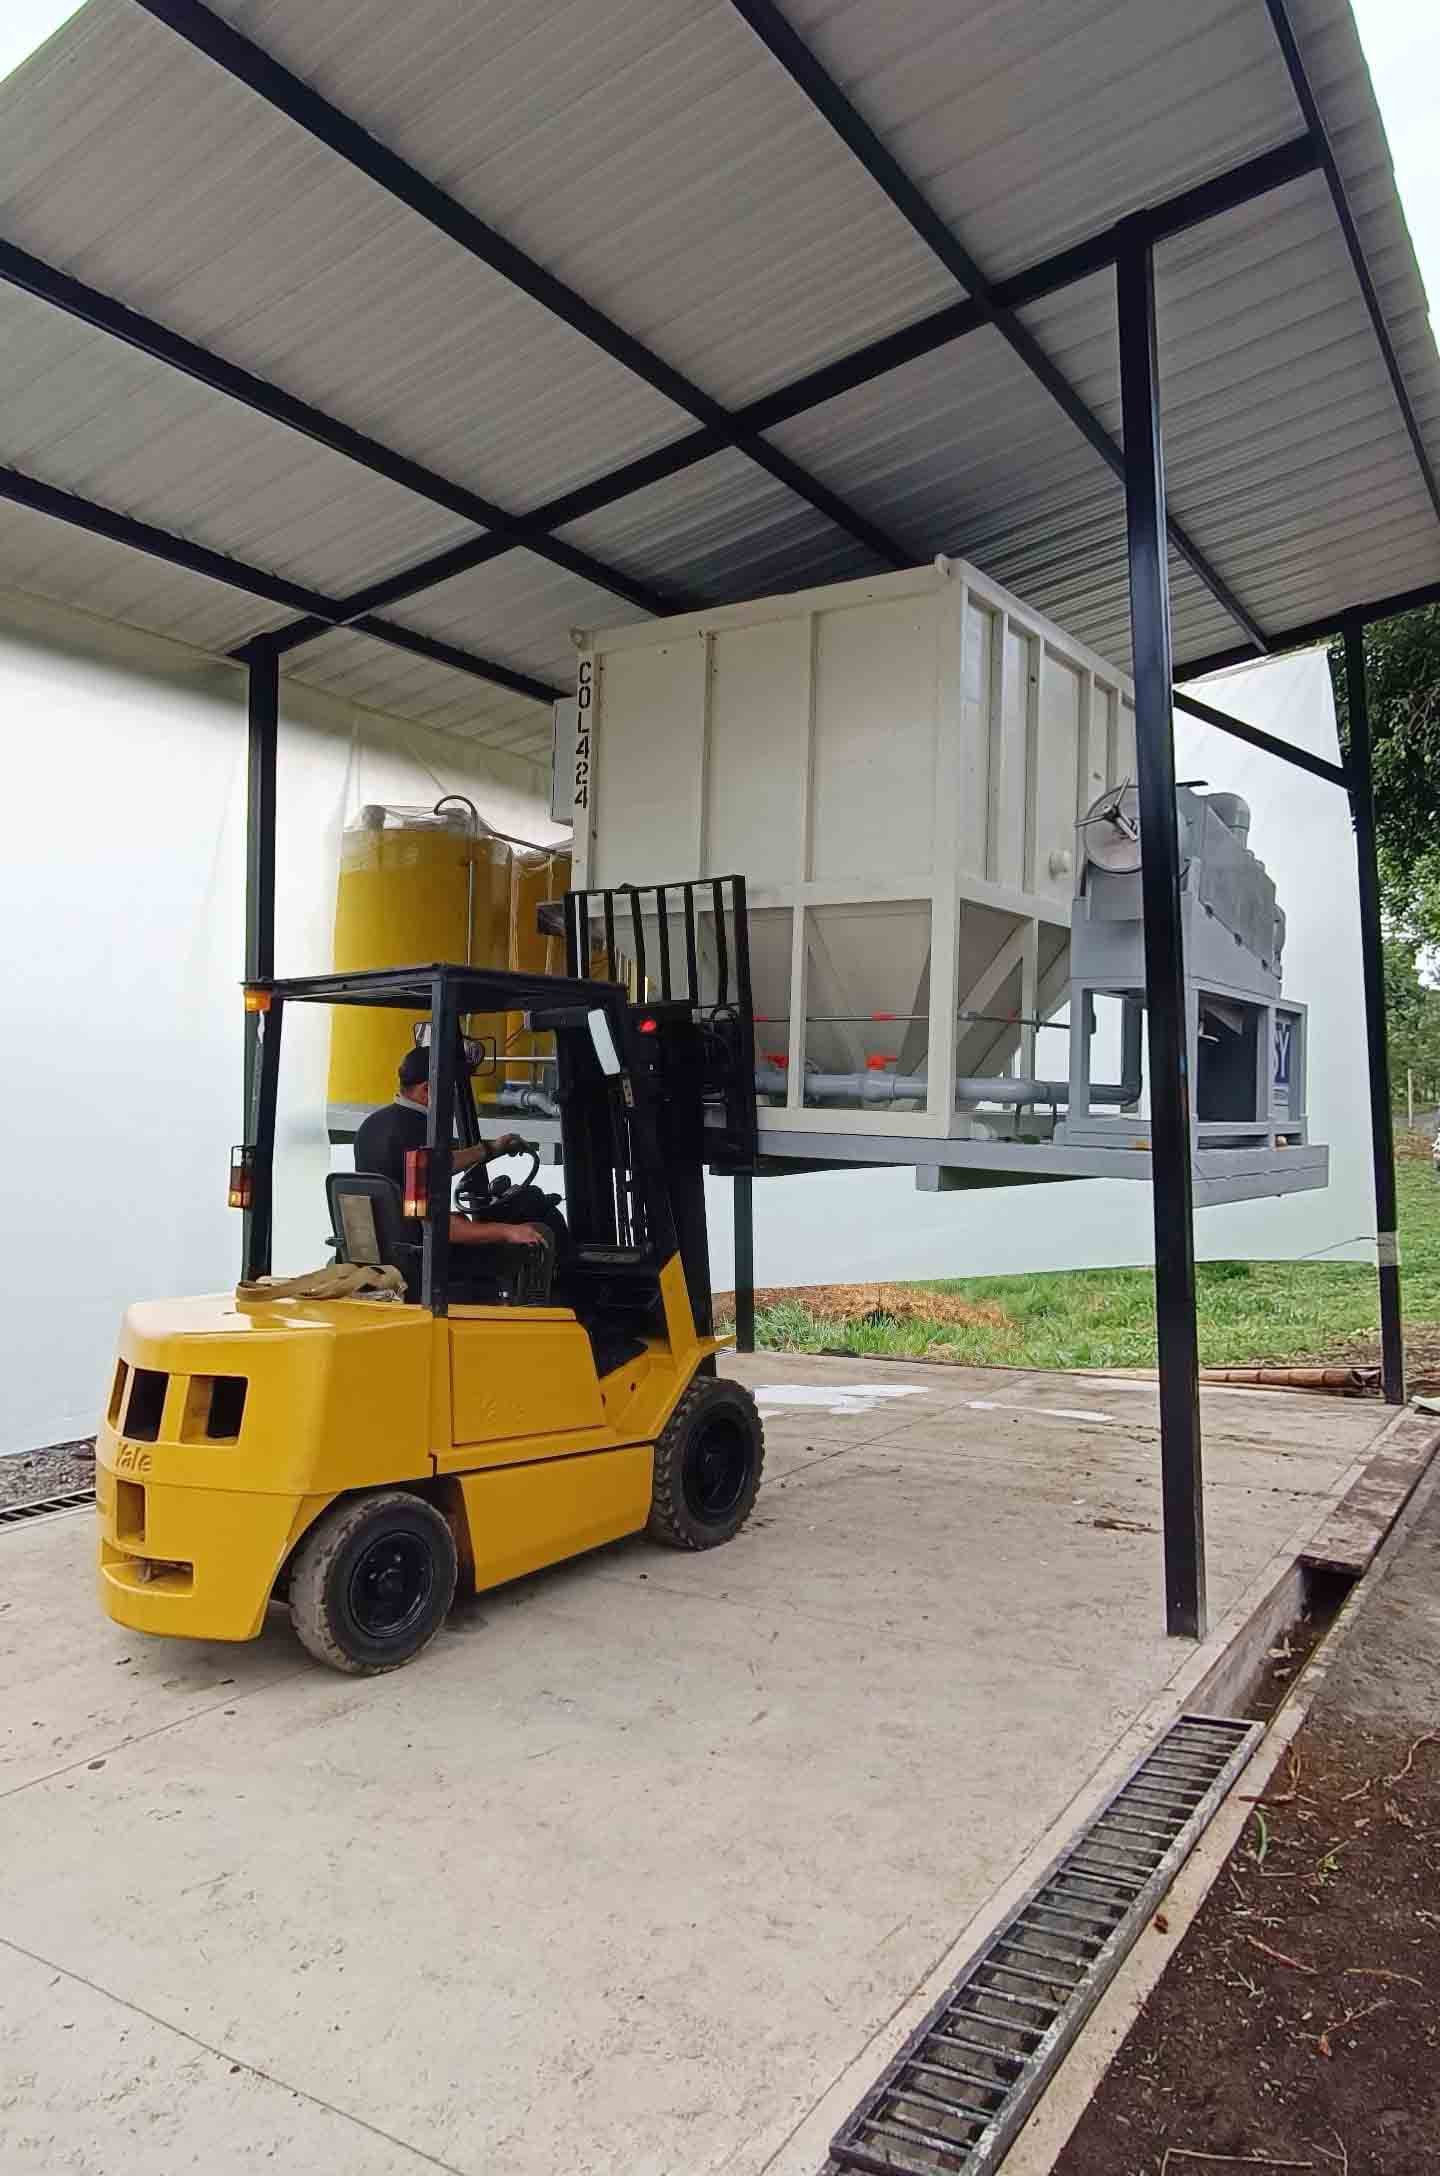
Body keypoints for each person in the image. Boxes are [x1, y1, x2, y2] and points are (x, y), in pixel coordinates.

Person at [354, 1045, 550, 1260]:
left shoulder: (372, 1126)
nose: (455, 1097)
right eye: (452, 1089)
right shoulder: (419, 1137)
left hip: (388, 1249)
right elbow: (435, 1226)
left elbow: (436, 1166)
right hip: (420, 1258)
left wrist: (492, 1148)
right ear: (427, 1090)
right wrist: (508, 1231)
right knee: (531, 1238)